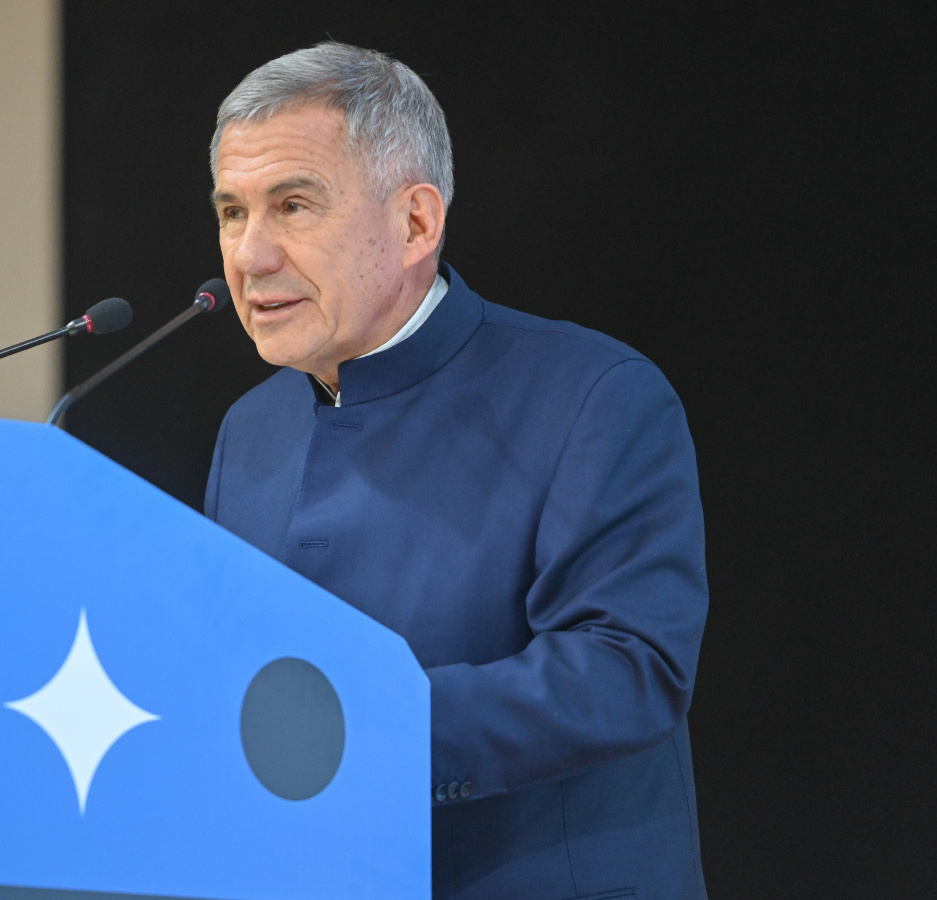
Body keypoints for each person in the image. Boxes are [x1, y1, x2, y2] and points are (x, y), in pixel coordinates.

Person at [204, 42, 708, 899]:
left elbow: (627, 670)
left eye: (292, 206)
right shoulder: (251, 426)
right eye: (231, 212)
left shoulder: (594, 393)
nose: (250, 255)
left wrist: (361, 727)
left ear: (415, 223)